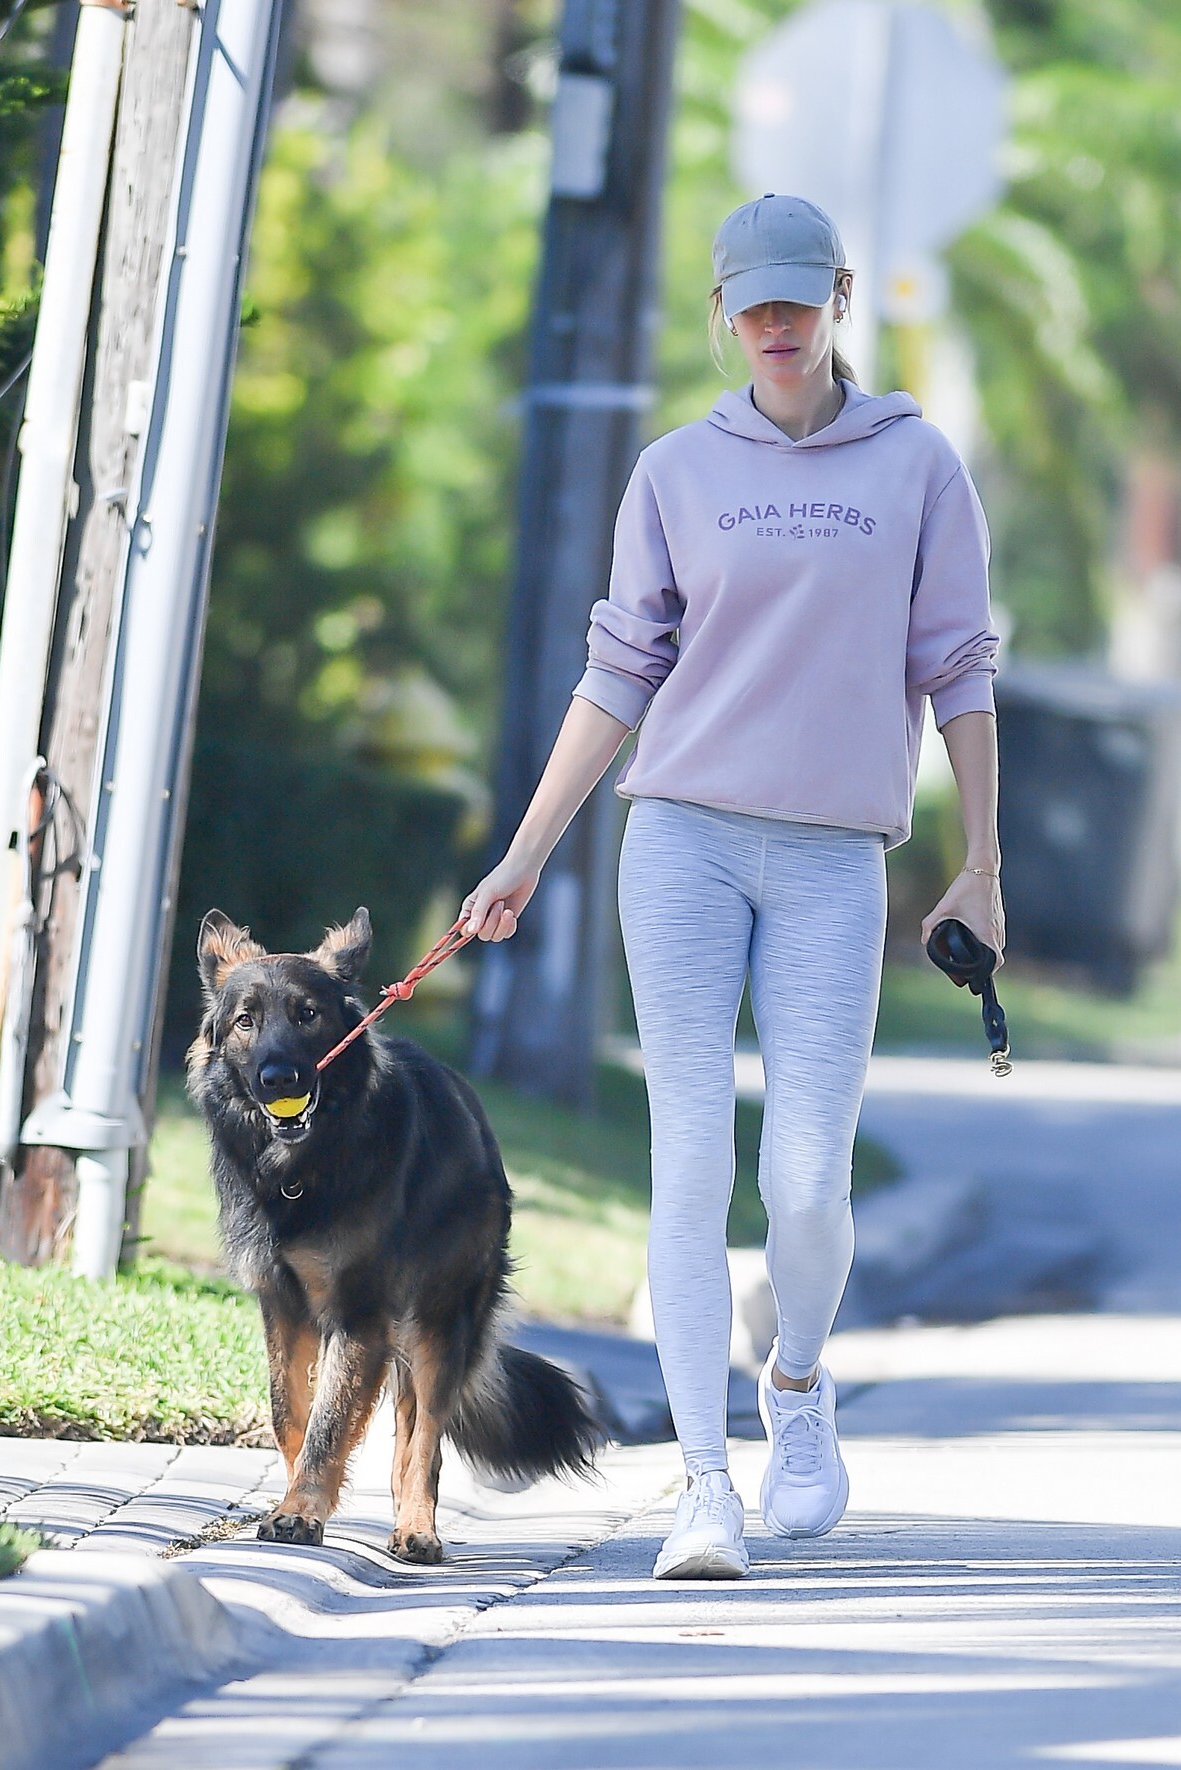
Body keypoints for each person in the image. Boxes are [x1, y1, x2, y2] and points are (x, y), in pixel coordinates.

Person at [461, 193, 1003, 1580]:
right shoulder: (674, 473)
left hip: (834, 857)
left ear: (838, 297)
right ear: (721, 310)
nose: (774, 323)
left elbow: (958, 669)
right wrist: (526, 851)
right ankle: (704, 1483)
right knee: (690, 1158)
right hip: (683, 842)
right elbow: (619, 670)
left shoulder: (919, 464)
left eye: (796, 299)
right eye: (749, 302)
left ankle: (798, 1384)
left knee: (807, 1179)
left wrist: (981, 867)